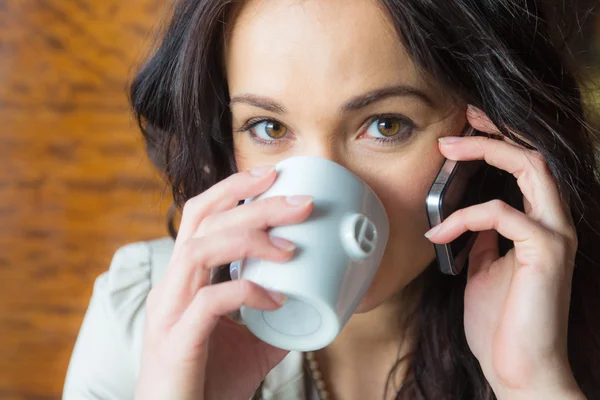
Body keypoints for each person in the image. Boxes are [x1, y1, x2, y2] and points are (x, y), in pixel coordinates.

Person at [63, 0, 600, 399]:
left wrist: (533, 380)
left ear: (485, 131)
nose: (318, 197)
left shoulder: (565, 317)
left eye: (386, 125)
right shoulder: (137, 320)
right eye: (268, 126)